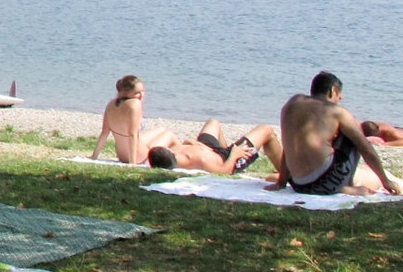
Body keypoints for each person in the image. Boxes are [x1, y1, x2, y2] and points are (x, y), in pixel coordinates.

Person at [268, 71, 400, 197]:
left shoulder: (292, 103)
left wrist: (281, 182)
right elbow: (365, 148)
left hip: (297, 184)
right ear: (333, 91)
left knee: (295, 135)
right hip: (326, 183)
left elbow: (288, 145)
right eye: (339, 95)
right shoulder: (336, 111)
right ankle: (347, 185)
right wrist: (385, 181)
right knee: (354, 135)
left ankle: (341, 186)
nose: (340, 98)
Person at [145, 118, 282, 175]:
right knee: (267, 131)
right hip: (227, 158)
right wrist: (234, 155)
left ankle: (224, 148)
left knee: (213, 122)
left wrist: (193, 143)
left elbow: (184, 143)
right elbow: (223, 172)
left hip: (210, 149)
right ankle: (285, 174)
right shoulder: (201, 161)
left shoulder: (174, 152)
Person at [90, 74, 172, 164]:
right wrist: (132, 163)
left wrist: (94, 156)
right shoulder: (135, 104)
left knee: (162, 130)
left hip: (121, 155)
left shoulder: (111, 104)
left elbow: (104, 132)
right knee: (169, 135)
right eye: (137, 93)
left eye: (143, 91)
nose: (142, 95)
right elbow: (132, 134)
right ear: (126, 92)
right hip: (139, 156)